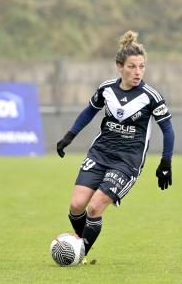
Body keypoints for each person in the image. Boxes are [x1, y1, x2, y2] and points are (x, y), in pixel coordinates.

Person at [56, 30, 175, 262]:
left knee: (94, 208)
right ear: (119, 66)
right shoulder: (107, 89)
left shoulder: (151, 96)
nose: (137, 72)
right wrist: (69, 136)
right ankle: (79, 245)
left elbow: (168, 129)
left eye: (141, 66)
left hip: (127, 161)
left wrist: (166, 162)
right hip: (100, 153)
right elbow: (89, 111)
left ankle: (78, 254)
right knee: (77, 205)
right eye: (132, 66)